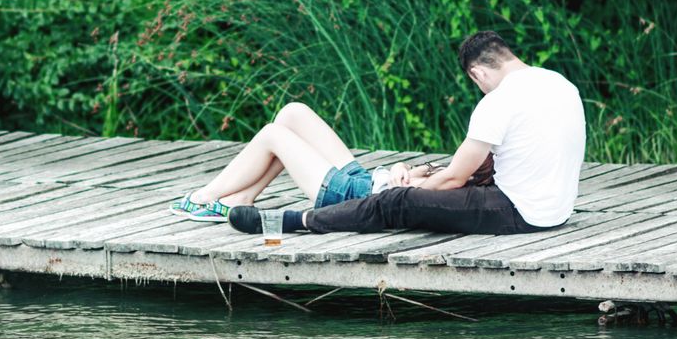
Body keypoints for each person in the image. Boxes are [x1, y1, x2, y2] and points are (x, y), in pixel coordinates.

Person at [227, 30, 586, 235]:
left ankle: (292, 222)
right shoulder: (561, 85)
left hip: (518, 213)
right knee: (402, 191)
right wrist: (426, 175)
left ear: (477, 74)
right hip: (555, 209)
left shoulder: (499, 101)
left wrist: (411, 187)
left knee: (395, 203)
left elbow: (454, 179)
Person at [170, 102, 435, 221]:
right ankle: (242, 198)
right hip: (367, 180)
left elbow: (419, 197)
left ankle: (204, 196)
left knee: (272, 135)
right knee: (292, 114)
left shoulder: (464, 182)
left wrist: (409, 179)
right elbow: (424, 173)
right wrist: (404, 168)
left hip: (356, 197)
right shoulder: (465, 168)